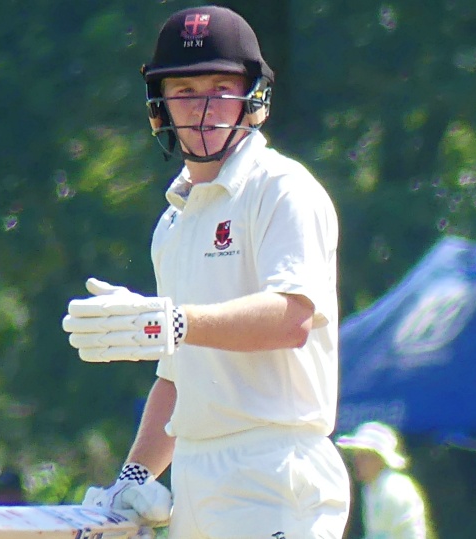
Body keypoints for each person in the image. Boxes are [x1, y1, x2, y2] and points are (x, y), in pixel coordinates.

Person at [61, 5, 349, 538]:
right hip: (196, 475)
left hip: (275, 469)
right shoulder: (174, 222)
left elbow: (292, 319)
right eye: (186, 91)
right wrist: (134, 475)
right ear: (160, 105)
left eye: (222, 86)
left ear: (254, 97)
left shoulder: (283, 189)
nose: (204, 107)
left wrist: (170, 322)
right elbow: (178, 374)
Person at [335, 422, 429, 539]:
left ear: (379, 459)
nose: (357, 462)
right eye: (357, 456)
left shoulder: (393, 487)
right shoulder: (372, 487)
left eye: (364, 456)